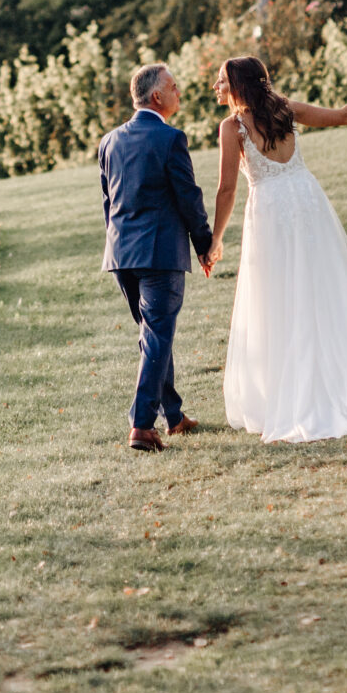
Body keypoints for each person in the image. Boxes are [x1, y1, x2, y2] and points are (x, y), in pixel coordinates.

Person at [209, 54, 347, 443]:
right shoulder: (285, 108)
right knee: (325, 287)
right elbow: (343, 115)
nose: (216, 87)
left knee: (280, 299)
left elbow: (227, 189)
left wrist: (215, 239)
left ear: (239, 85)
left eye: (222, 80)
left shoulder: (232, 127)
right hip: (307, 202)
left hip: (273, 212)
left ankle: (298, 393)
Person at [95, 63, 214, 452]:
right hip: (159, 253)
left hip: (121, 254)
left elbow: (107, 203)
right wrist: (204, 243)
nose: (180, 92)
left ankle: (174, 416)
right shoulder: (170, 138)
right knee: (157, 335)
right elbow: (189, 197)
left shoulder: (109, 141)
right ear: (157, 96)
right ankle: (142, 425)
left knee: (153, 336)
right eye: (175, 87)